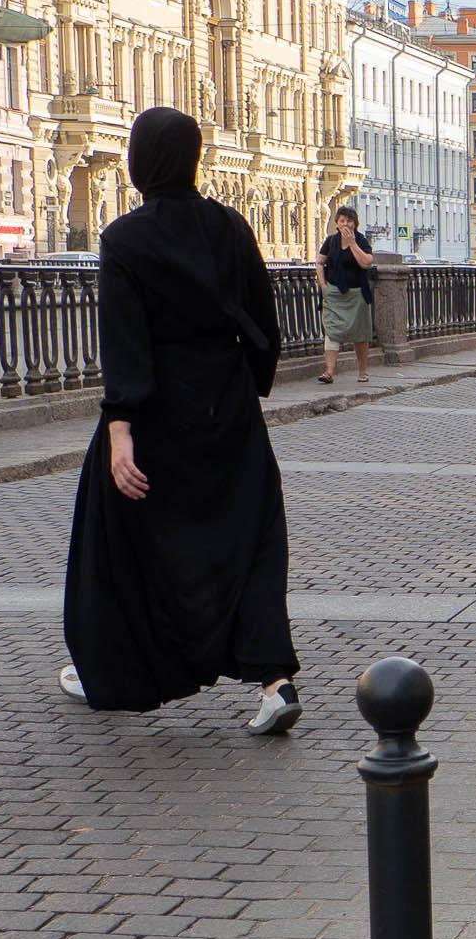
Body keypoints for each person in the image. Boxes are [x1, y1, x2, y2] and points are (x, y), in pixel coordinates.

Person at [61, 107, 299, 734]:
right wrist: (241, 389)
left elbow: (124, 341)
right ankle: (275, 682)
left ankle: (107, 666)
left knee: (117, 539)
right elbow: (263, 324)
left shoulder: (124, 239)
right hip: (227, 407)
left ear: (141, 161)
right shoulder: (231, 226)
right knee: (249, 538)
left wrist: (119, 433)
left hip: (157, 413)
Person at [315, 206, 374, 385]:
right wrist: (323, 284)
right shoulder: (331, 241)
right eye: (342, 221)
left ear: (355, 224)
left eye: (349, 221)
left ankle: (363, 371)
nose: (345, 224)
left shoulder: (362, 241)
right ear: (337, 223)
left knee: (360, 334)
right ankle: (329, 372)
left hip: (357, 294)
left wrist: (353, 244)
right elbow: (319, 261)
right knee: (332, 331)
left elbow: (366, 263)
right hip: (334, 293)